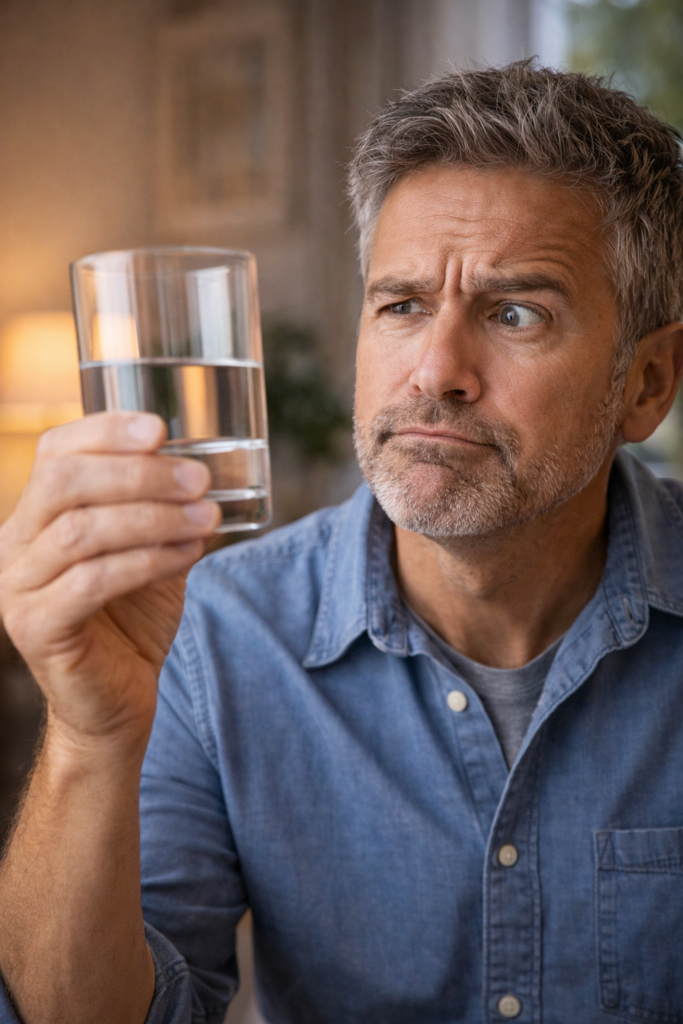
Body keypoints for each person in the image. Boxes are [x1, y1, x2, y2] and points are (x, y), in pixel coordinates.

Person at [0, 62, 682, 1024]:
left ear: (647, 383)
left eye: (515, 311)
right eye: (400, 304)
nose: (435, 371)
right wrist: (87, 736)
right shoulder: (216, 627)